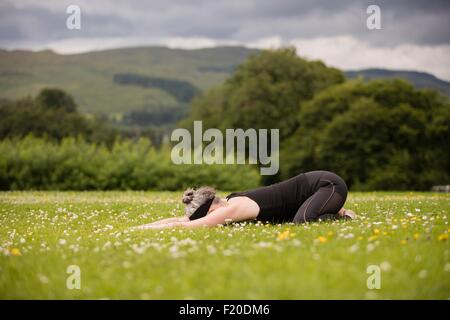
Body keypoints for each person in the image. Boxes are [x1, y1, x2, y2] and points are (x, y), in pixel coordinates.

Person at [135, 170, 356, 230]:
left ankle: (344, 215)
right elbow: (182, 221)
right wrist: (142, 226)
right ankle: (335, 210)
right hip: (315, 192)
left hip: (328, 185)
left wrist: (143, 231)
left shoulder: (234, 207)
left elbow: (189, 227)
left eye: (209, 216)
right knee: (296, 220)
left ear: (210, 208)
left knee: (303, 223)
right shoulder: (230, 201)